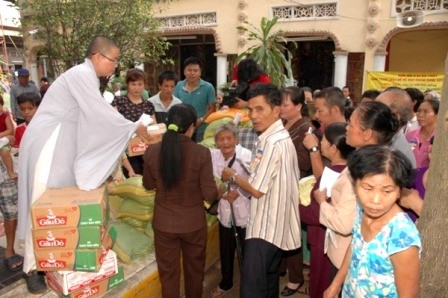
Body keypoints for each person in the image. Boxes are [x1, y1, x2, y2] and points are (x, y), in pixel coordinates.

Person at [18, 36, 150, 294]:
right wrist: (133, 125)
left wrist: (129, 127)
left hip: (60, 145)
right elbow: (99, 112)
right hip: (47, 144)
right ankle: (32, 268)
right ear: (98, 57)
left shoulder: (87, 76)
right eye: (113, 60)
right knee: (40, 204)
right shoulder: (81, 74)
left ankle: (52, 257)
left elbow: (96, 113)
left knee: (56, 204)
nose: (115, 67)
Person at [221, 83, 301, 297]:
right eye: (250, 109)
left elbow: (256, 190)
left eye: (260, 109)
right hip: (275, 226)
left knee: (252, 288)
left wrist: (233, 176)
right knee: (268, 282)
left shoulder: (272, 142)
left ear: (276, 111)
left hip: (265, 228)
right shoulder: (276, 137)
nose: (253, 115)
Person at [142, 103, 219, 298]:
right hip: (193, 223)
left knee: (168, 275)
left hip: (163, 223)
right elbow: (209, 194)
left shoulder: (152, 152)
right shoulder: (201, 153)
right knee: (195, 272)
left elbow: (148, 184)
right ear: (192, 127)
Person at [324, 145, 421, 297]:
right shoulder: (363, 209)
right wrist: (336, 284)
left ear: (399, 192)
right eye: (368, 188)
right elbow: (356, 245)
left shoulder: (402, 240)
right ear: (355, 184)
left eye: (387, 191)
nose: (375, 201)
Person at [300, 123, 355, 298]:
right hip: (332, 241)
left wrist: (295, 206)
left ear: (333, 148)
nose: (320, 143)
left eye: (322, 140)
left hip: (325, 241)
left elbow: (315, 214)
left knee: (321, 285)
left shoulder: (332, 175)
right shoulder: (347, 171)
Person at [210, 124, 252, 297]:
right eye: (221, 139)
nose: (225, 142)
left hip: (244, 209)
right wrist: (218, 191)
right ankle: (226, 283)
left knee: (246, 251)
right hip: (225, 211)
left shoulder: (245, 156)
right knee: (225, 250)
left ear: (236, 139)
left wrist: (240, 192)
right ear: (216, 142)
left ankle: (249, 285)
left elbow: (256, 181)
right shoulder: (214, 156)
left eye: (229, 138)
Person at [279, 86, 310, 296]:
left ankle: (295, 278)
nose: (281, 108)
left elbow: (304, 161)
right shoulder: (281, 123)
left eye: (285, 104)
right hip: (279, 184)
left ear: (298, 106)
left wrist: (280, 151)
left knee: (291, 233)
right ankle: (281, 267)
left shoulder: (304, 128)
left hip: (293, 186)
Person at [111, 68, 156, 176]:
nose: (136, 88)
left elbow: (155, 127)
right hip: (125, 152)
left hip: (145, 150)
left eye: (140, 84)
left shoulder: (148, 105)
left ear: (144, 85)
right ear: (127, 84)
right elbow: (112, 124)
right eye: (133, 84)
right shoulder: (119, 102)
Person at [303, 87, 346, 178]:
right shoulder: (322, 132)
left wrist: (313, 149)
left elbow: (324, 181)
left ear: (335, 110)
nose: (316, 116)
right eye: (315, 111)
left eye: (320, 111)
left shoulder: (346, 139)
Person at [174, 56, 216, 142]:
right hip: (182, 128)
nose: (192, 73)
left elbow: (212, 108)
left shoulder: (208, 87)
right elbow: (175, 106)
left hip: (201, 128)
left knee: (199, 152)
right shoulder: (178, 86)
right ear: (184, 72)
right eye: (189, 70)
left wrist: (201, 120)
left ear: (200, 72)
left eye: (195, 70)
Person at [376, 89, 417, 168]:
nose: (371, 111)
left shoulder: (397, 156)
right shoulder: (381, 141)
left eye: (377, 107)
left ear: (395, 116)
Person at [406, 99, 438, 169]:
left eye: (426, 111)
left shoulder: (440, 138)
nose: (420, 115)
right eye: (419, 111)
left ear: (437, 115)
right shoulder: (410, 135)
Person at [0, 94, 17, 179]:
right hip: (3, 148)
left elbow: (11, 130)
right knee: (4, 151)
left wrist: (0, 135)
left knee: (8, 138)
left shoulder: (5, 116)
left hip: (7, 140)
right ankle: (10, 172)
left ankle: (11, 172)